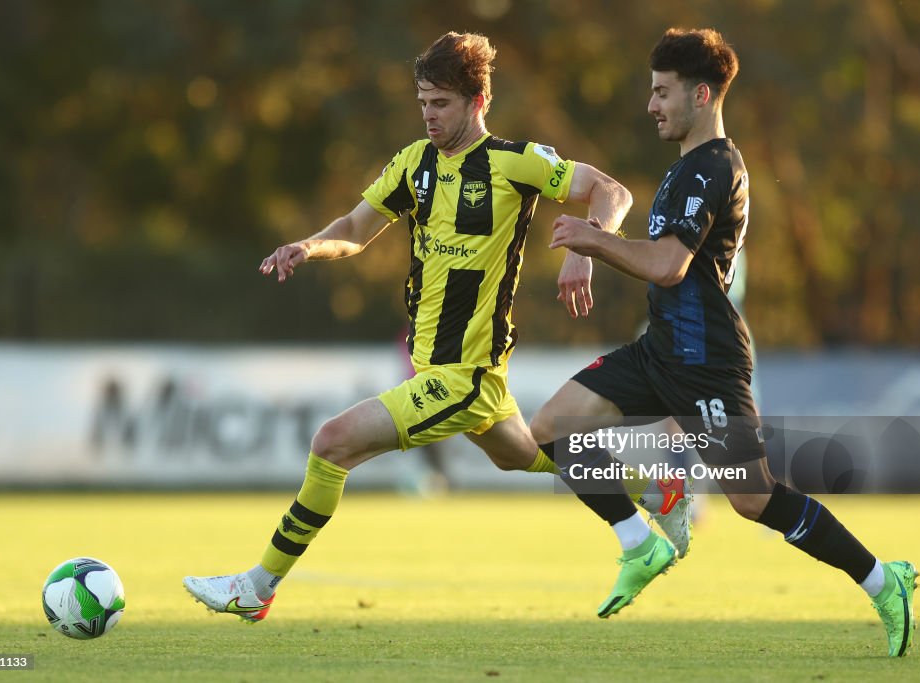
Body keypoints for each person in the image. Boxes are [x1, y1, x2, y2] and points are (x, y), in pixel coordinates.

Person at [183, 31, 686, 622]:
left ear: (477, 102)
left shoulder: (514, 161)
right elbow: (354, 226)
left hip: (463, 374)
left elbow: (612, 190)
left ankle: (257, 586)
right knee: (524, 455)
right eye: (422, 101)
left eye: (441, 103)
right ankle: (655, 491)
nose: (428, 114)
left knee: (331, 444)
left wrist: (589, 246)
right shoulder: (413, 163)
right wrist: (309, 246)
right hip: (453, 370)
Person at [530, 28, 918, 657]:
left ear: (701, 93)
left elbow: (668, 266)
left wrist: (591, 241)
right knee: (550, 428)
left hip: (706, 363)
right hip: (660, 349)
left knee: (753, 498)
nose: (651, 104)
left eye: (662, 92)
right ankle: (642, 536)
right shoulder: (686, 167)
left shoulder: (714, 167)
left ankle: (882, 579)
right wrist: (594, 242)